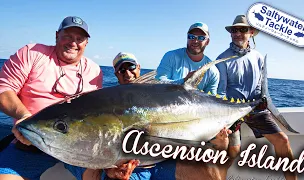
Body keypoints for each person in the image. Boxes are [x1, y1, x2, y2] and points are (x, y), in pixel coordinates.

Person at [0, 16, 132, 180]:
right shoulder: (32, 53)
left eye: (79, 39)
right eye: (67, 36)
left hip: (78, 146)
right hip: (32, 141)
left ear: (86, 43)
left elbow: (96, 113)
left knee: (97, 175)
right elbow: (4, 90)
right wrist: (24, 116)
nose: (73, 43)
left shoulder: (94, 70)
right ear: (57, 35)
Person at [78, 52, 231, 180]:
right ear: (116, 73)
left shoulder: (159, 91)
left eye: (131, 67)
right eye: (121, 70)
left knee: (212, 174)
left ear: (138, 67)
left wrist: (219, 144)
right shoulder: (109, 104)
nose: (128, 73)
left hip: (164, 161)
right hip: (135, 169)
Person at [216, 15, 297, 180]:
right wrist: (222, 121)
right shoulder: (222, 59)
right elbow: (221, 91)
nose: (237, 33)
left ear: (251, 32)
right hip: (232, 112)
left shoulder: (258, 57)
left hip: (255, 109)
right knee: (231, 153)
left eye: (242, 29)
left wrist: (264, 103)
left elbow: (263, 88)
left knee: (283, 140)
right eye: (234, 30)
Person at [155, 22, 219, 95]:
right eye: (191, 37)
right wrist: (184, 81)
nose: (195, 41)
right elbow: (158, 83)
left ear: (207, 42)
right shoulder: (170, 56)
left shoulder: (213, 71)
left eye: (201, 38)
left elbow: (211, 100)